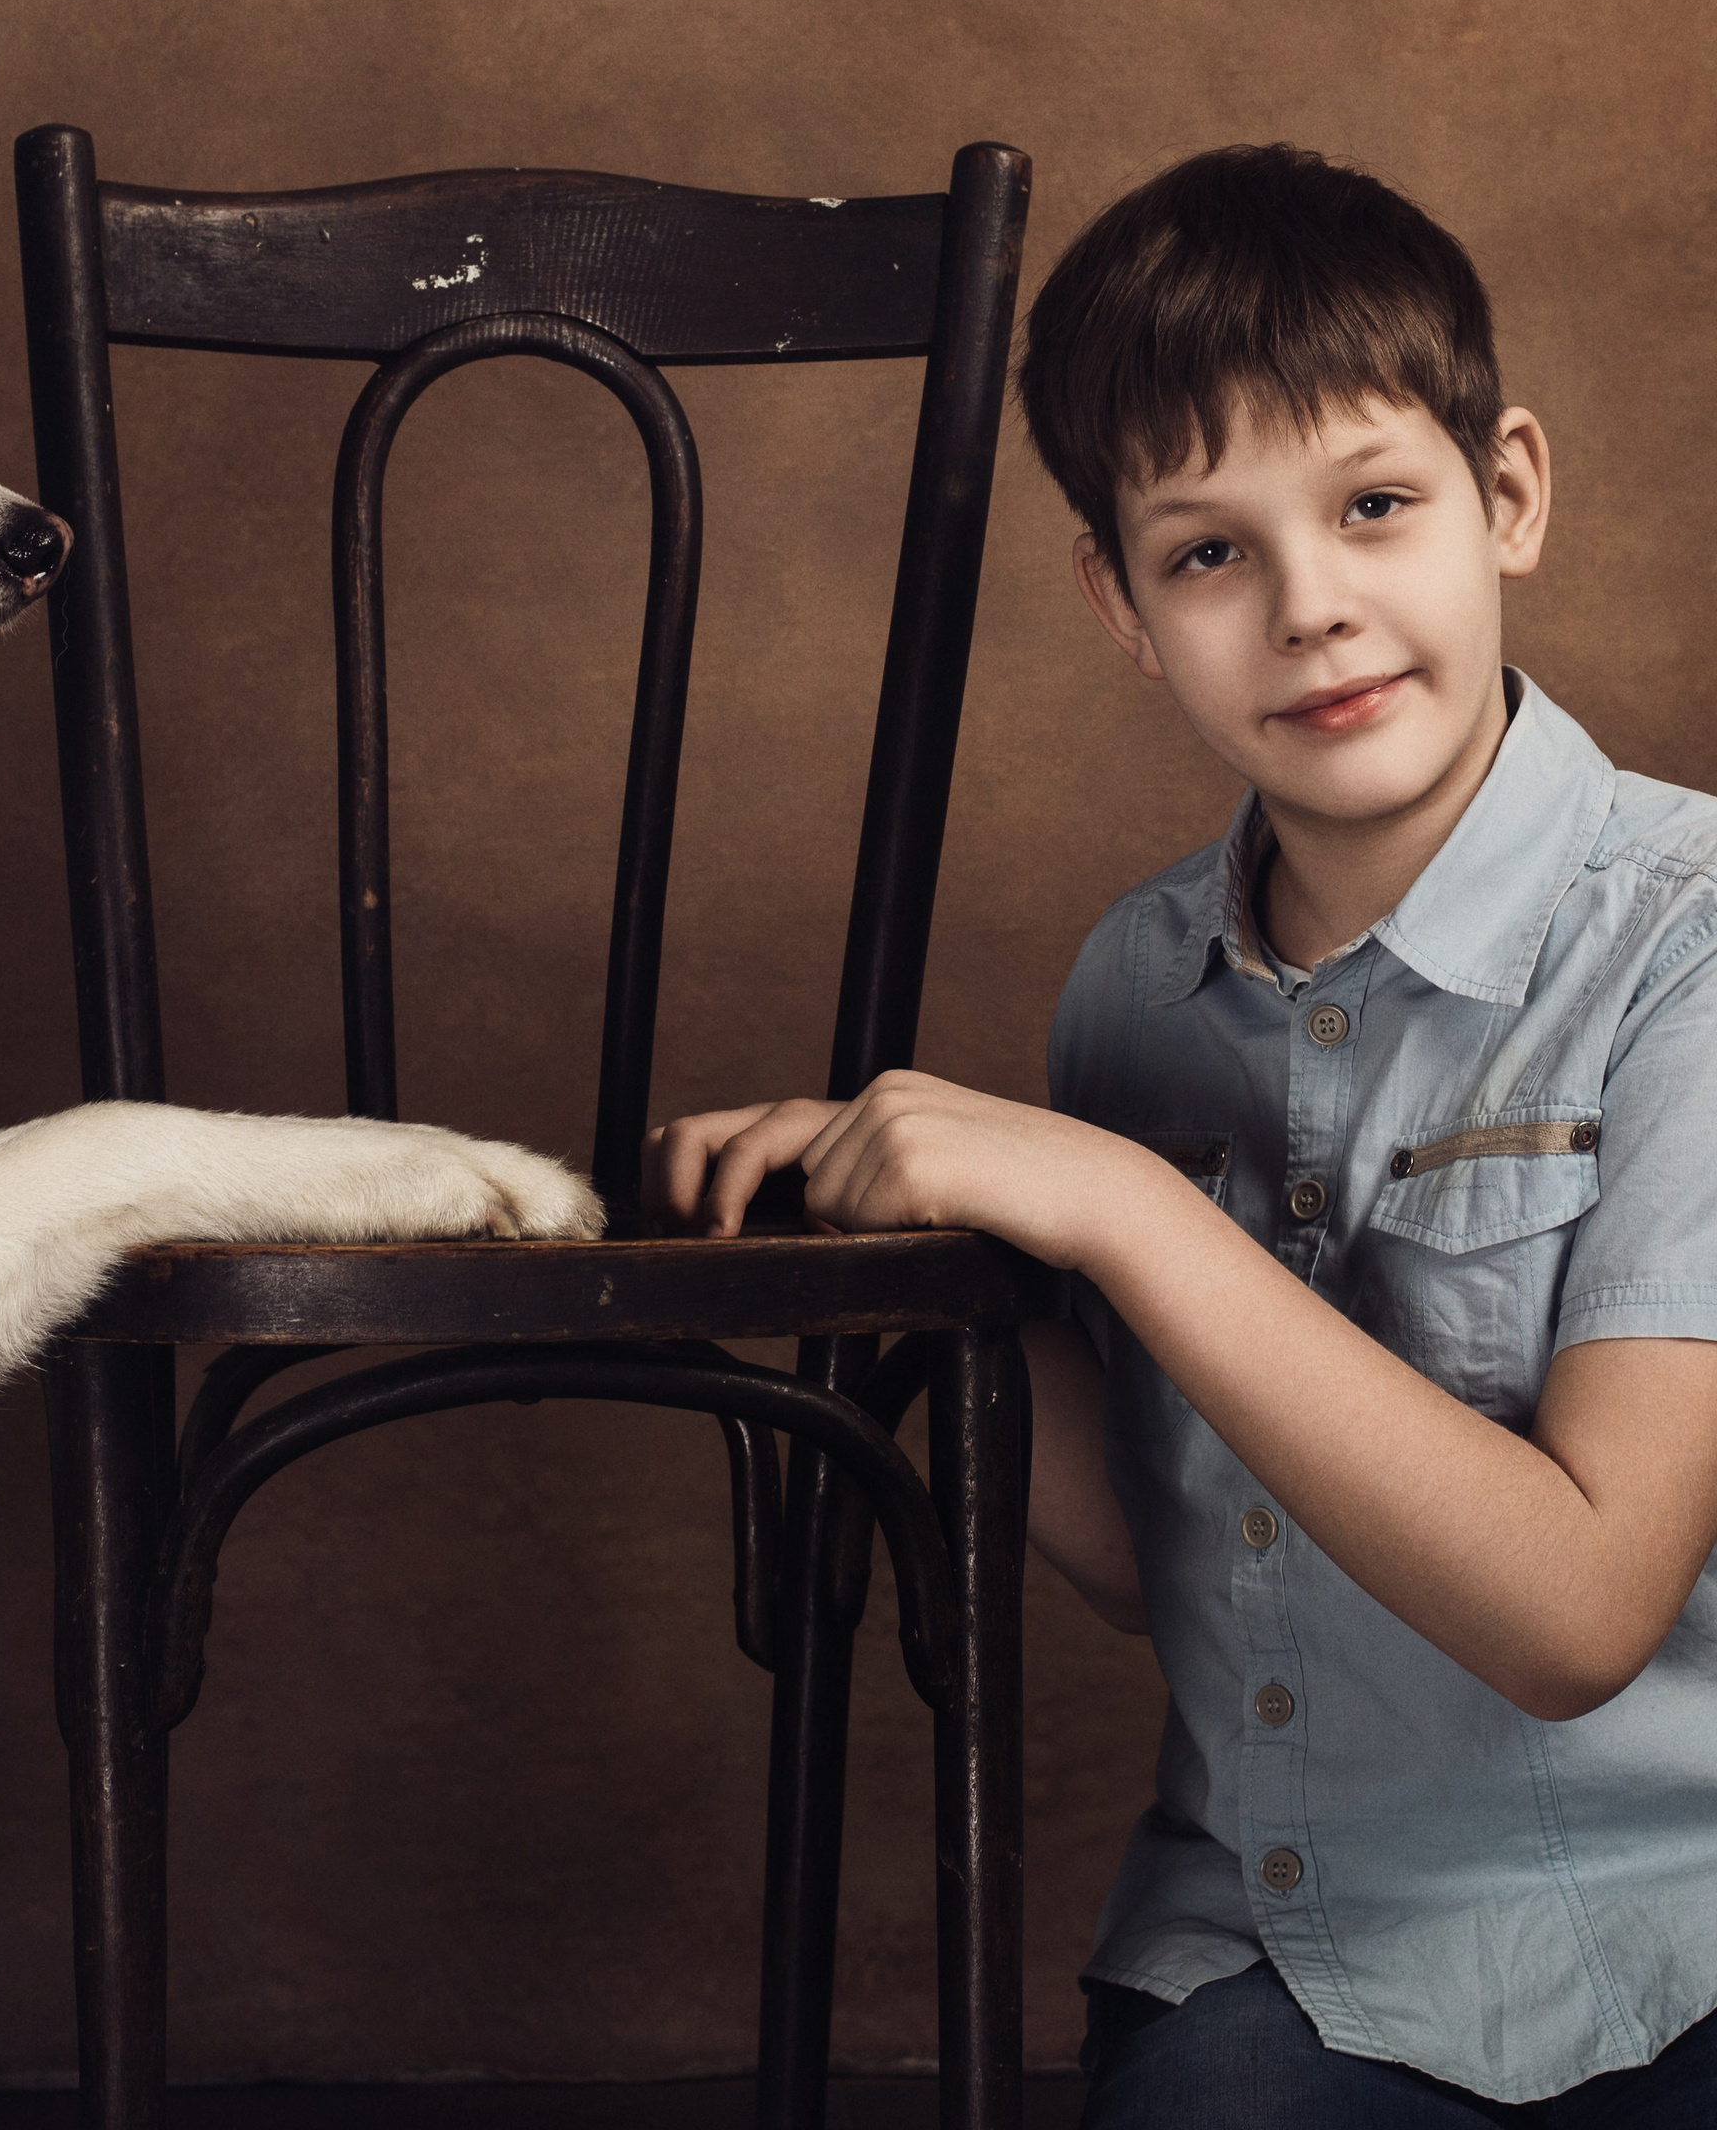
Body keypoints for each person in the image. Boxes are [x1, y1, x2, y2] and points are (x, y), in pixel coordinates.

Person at [646, 146, 1717, 2126]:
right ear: (1120, 604)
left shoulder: (1683, 940)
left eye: (1373, 506)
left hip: (1679, 1931)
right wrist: (897, 1268)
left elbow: (1580, 1615)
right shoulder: (1134, 982)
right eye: (1206, 550)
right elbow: (1165, 1561)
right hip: (1288, 1941)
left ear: (1505, 493)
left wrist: (1123, 1211)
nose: (1309, 606)